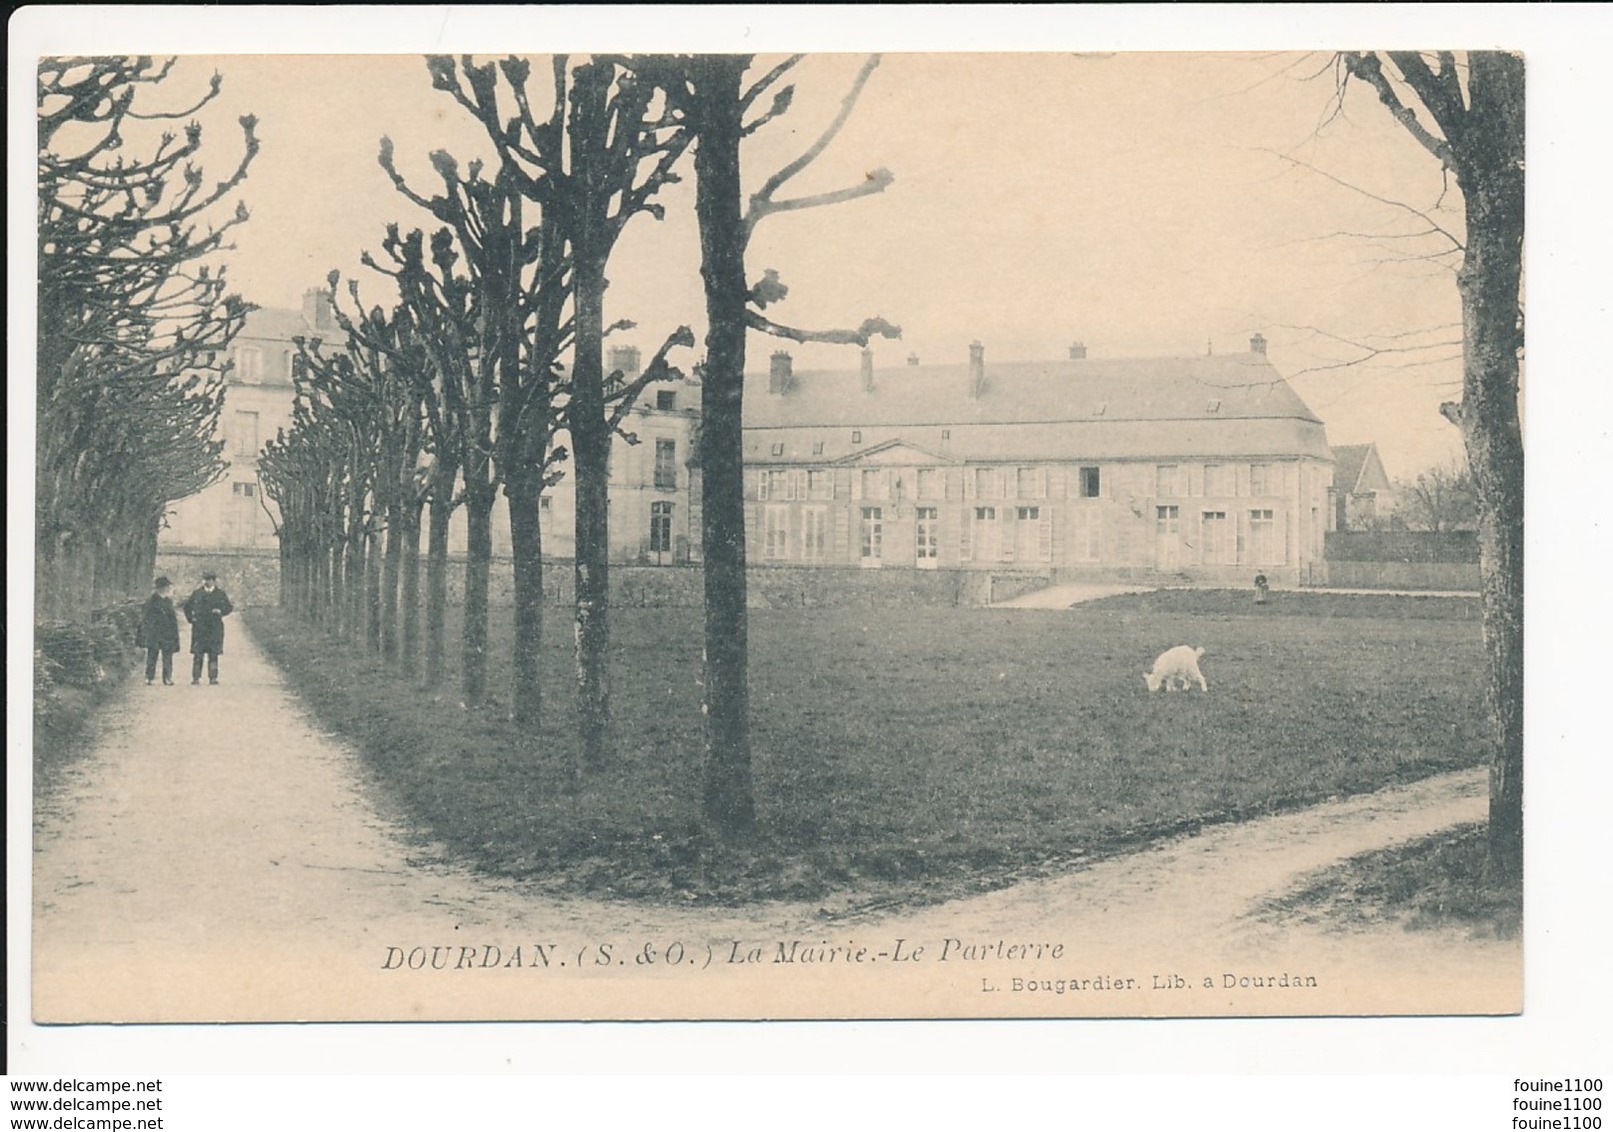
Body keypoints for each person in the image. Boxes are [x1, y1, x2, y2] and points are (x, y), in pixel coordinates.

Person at [183, 571, 235, 685]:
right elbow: (187, 607)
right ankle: (196, 677)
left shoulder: (220, 594)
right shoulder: (197, 593)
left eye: (210, 580)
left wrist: (221, 611)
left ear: (214, 581)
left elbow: (229, 607)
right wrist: (191, 619)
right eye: (206, 579)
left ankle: (213, 677)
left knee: (213, 653)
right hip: (200, 627)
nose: (208, 582)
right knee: (198, 653)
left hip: (214, 627)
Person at [136, 576, 181, 685]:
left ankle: (167, 677)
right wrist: (147, 631)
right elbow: (145, 618)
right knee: (152, 655)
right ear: (159, 588)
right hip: (155, 632)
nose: (167, 589)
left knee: (167, 656)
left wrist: (175, 633)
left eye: (167, 587)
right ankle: (149, 677)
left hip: (167, 633)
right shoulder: (151, 601)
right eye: (165, 587)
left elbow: (173, 618)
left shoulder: (168, 601)